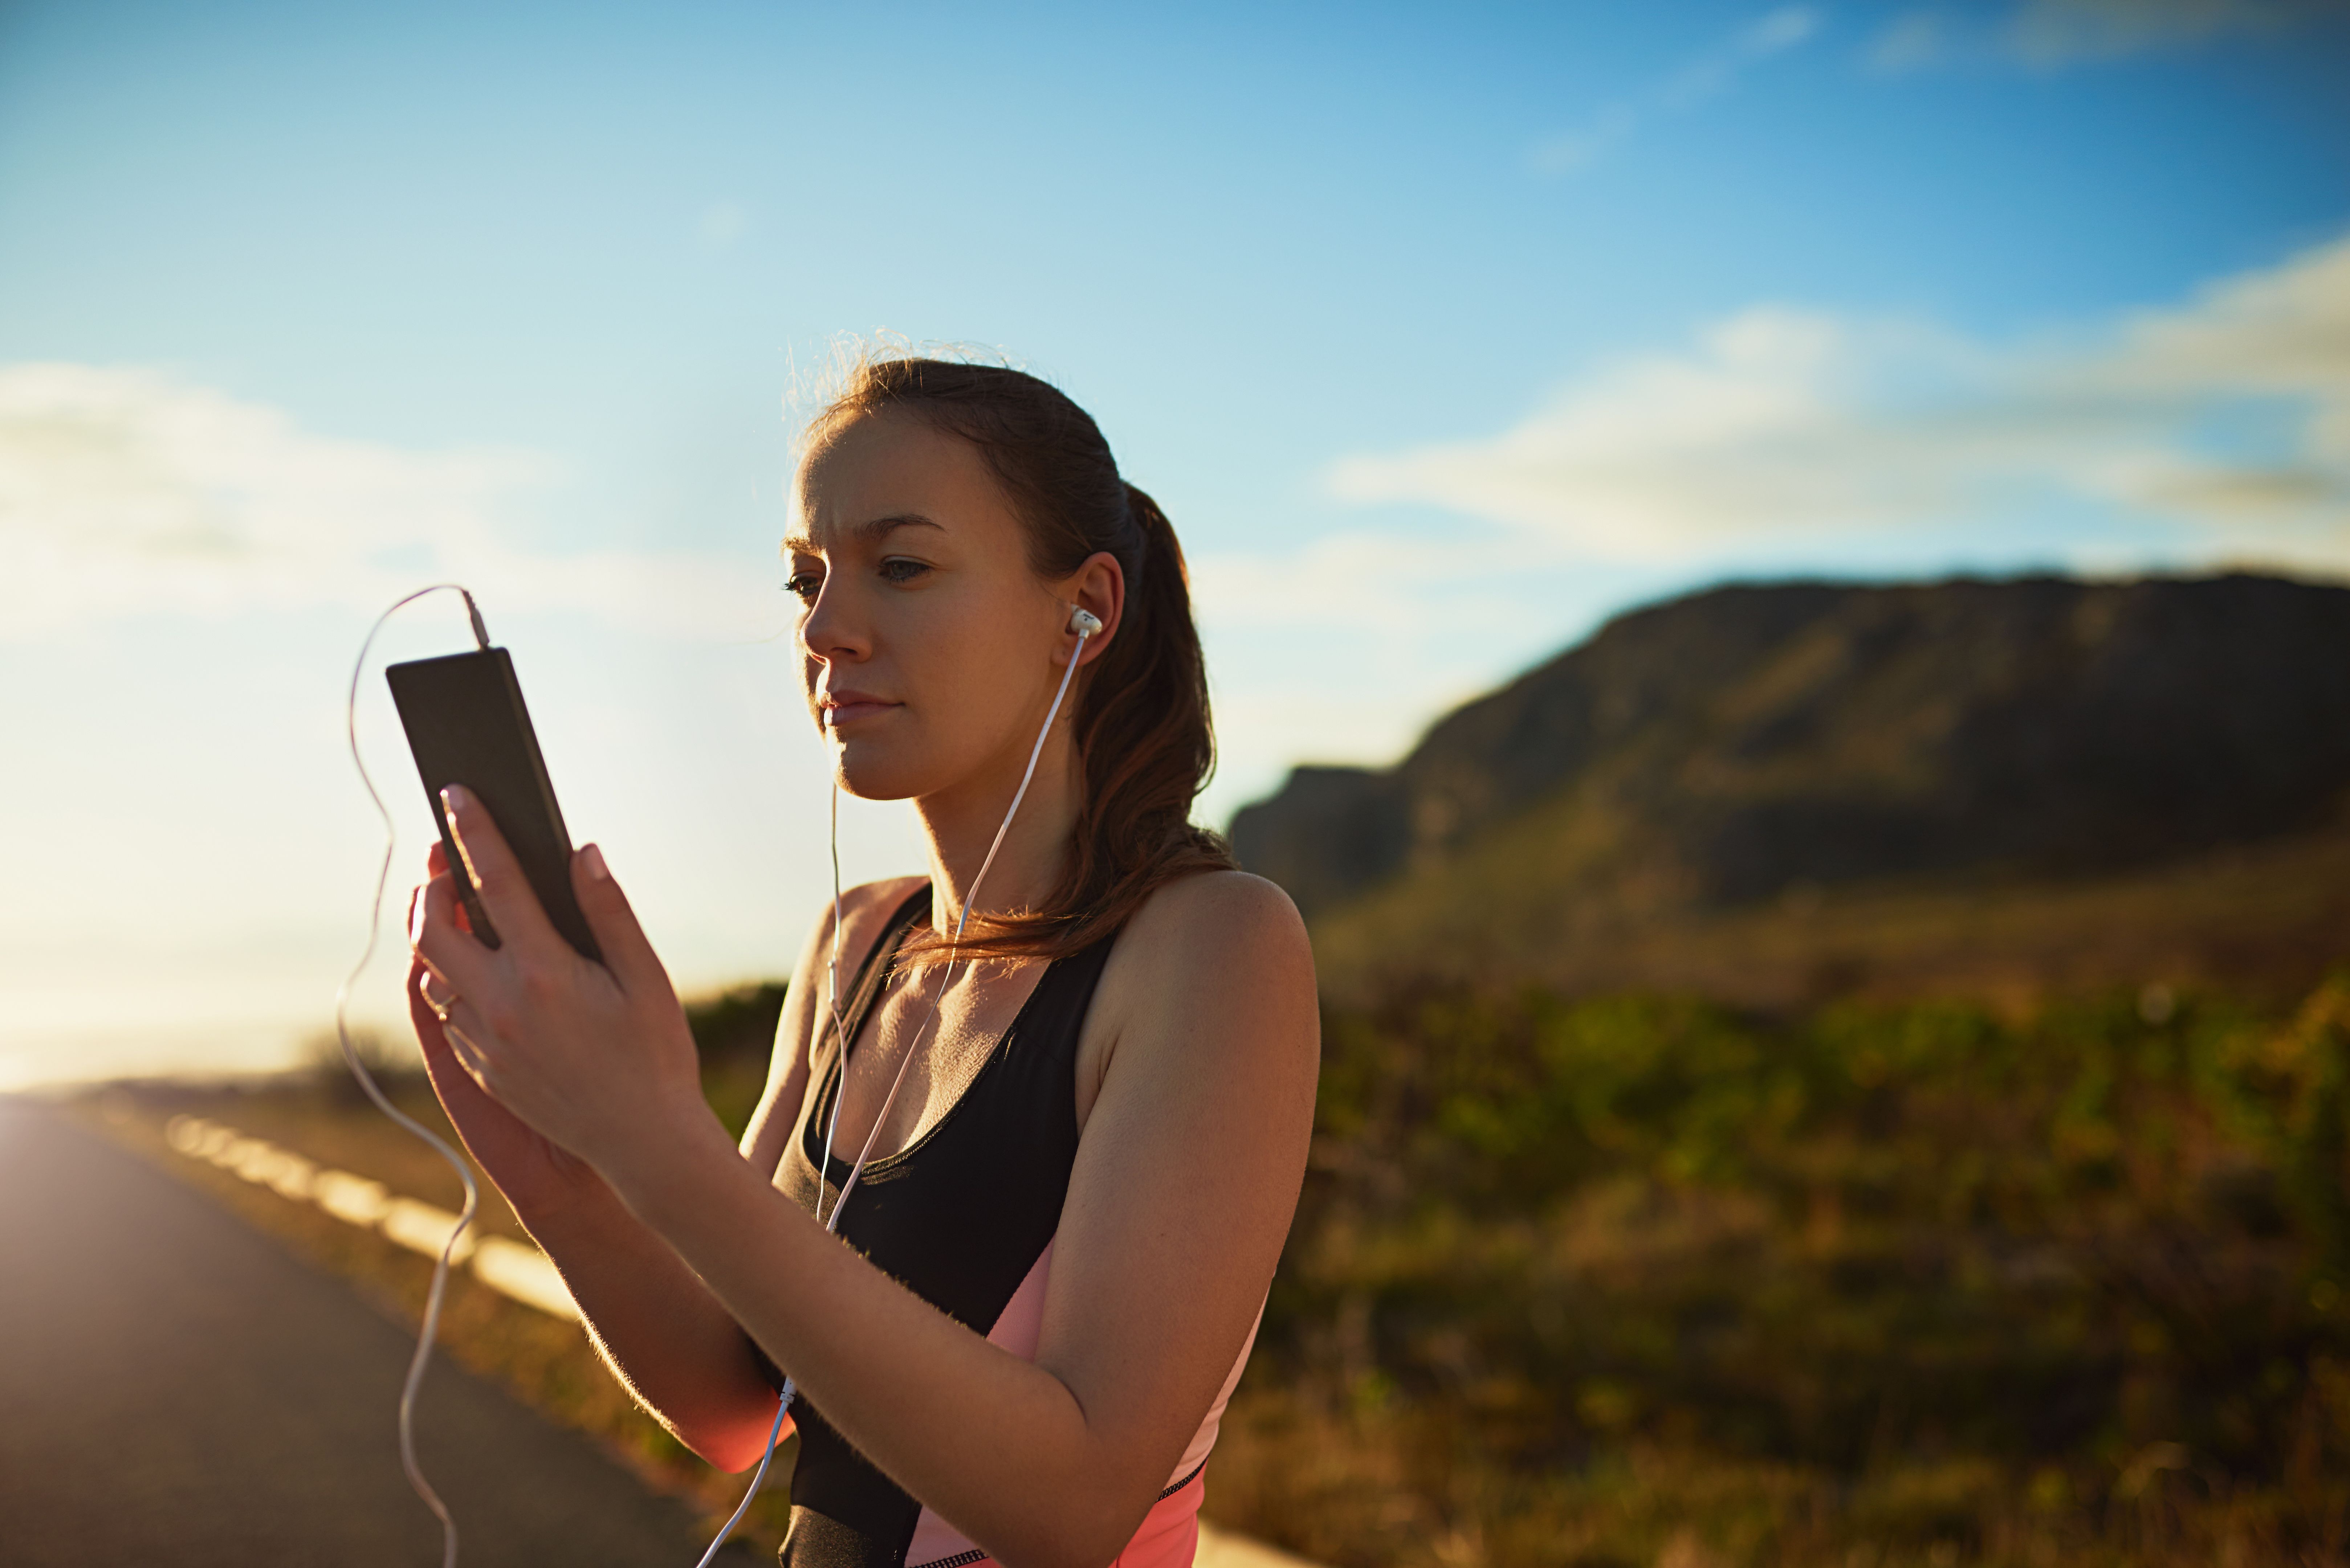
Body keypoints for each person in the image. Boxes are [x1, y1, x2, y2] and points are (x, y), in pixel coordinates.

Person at [404, 355, 1320, 1568]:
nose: (825, 628)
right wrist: (564, 1178)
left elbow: (1078, 1506)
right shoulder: (856, 947)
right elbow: (735, 1408)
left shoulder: (1213, 948)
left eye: (901, 566)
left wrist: (651, 1138)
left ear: (1081, 610)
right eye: (805, 579)